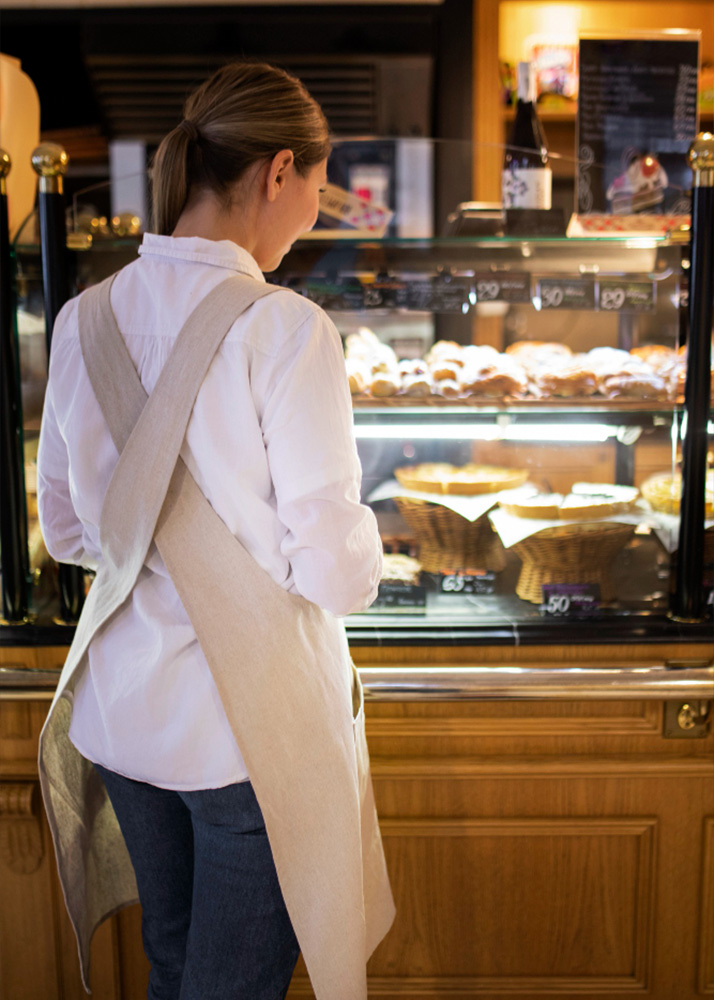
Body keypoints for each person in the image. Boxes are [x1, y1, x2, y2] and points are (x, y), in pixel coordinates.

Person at [37, 61, 395, 1000]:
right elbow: (334, 576)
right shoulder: (288, 330)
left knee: (175, 965)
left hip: (126, 719)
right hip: (248, 738)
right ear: (279, 172)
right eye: (318, 191)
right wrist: (371, 542)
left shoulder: (82, 319)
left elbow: (66, 531)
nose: (312, 216)